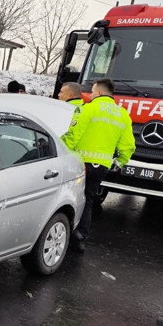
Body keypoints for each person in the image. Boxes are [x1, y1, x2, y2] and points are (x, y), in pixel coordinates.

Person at [61, 78, 136, 252]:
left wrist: (60, 150)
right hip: (102, 165)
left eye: (93, 91)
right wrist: (120, 161)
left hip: (80, 163)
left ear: (100, 92)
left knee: (69, 198)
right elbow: (128, 144)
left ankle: (67, 234)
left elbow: (73, 135)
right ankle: (80, 236)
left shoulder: (88, 108)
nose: (91, 94)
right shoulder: (122, 114)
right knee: (88, 199)